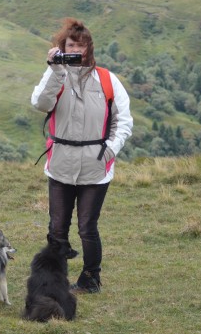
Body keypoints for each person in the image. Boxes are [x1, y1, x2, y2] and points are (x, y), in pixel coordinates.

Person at [31, 18, 133, 294]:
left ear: (89, 48)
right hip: (61, 162)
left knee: (88, 227)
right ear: (61, 47)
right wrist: (54, 71)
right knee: (57, 228)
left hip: (95, 165)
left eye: (81, 44)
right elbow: (40, 103)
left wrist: (110, 149)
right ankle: (54, 281)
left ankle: (90, 279)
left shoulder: (107, 79)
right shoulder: (56, 75)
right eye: (70, 44)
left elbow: (123, 120)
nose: (76, 49)